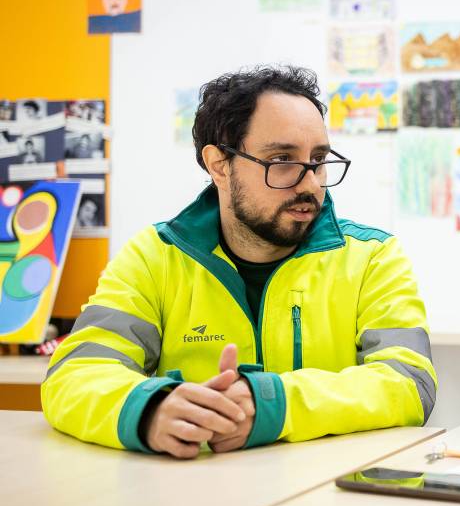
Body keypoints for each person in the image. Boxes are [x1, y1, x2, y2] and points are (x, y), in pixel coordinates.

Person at [42, 65, 436, 458]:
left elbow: (409, 383)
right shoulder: (154, 256)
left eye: (317, 160)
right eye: (282, 159)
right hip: (197, 499)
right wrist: (150, 409)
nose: (311, 184)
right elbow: (75, 374)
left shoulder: (372, 257)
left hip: (328, 499)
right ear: (219, 165)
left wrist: (276, 406)